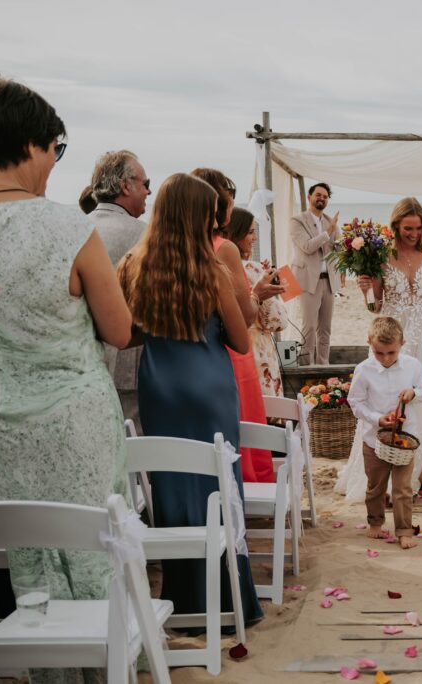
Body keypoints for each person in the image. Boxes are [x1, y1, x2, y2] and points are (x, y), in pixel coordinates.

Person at [0, 76, 132, 684]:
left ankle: (52, 672)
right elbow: (118, 330)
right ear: (34, 144)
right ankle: (106, 664)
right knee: (92, 543)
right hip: (72, 417)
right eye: (56, 149)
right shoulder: (68, 228)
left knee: (28, 546)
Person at [117, 172, 264, 631]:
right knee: (220, 485)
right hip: (209, 391)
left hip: (160, 388)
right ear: (199, 217)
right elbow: (241, 342)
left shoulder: (132, 265)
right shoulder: (210, 269)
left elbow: (125, 337)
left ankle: (181, 600)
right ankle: (229, 601)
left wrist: (162, 330)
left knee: (172, 486)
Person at [337, 197, 422, 499]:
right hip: (394, 332)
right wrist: (365, 292)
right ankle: (388, 474)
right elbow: (375, 307)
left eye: (418, 227)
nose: (414, 234)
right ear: (396, 226)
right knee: (388, 397)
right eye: (407, 228)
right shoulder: (381, 254)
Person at [192, 167, 283, 483]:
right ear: (218, 204)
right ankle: (247, 486)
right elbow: (244, 316)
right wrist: (257, 292)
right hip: (231, 350)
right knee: (241, 425)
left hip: (194, 357)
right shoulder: (223, 248)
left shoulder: (181, 244)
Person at [347, 316, 422, 550]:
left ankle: (404, 530)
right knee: (376, 486)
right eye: (379, 353)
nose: (385, 358)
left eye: (391, 353)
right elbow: (356, 402)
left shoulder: (413, 365)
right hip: (374, 439)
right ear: (369, 344)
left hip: (405, 439)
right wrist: (377, 418)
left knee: (403, 488)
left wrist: (414, 393)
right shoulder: (363, 370)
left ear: (402, 343)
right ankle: (375, 522)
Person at [88, 149, 151, 432]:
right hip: (130, 363)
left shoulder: (79, 227)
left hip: (84, 365)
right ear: (126, 186)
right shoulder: (143, 234)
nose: (149, 192)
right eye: (146, 184)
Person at [226, 207, 288, 397]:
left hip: (229, 350)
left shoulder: (217, 265)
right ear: (237, 233)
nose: (255, 238)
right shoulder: (251, 268)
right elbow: (278, 321)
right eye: (251, 232)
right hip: (256, 352)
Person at [288, 182, 340, 365]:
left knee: (325, 329)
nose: (322, 199)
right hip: (308, 282)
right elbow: (307, 247)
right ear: (309, 197)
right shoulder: (297, 221)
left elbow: (336, 248)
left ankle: (323, 365)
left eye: (325, 196)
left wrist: (350, 244)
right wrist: (329, 233)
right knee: (308, 328)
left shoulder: (329, 221)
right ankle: (307, 368)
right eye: (318, 195)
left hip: (329, 282)